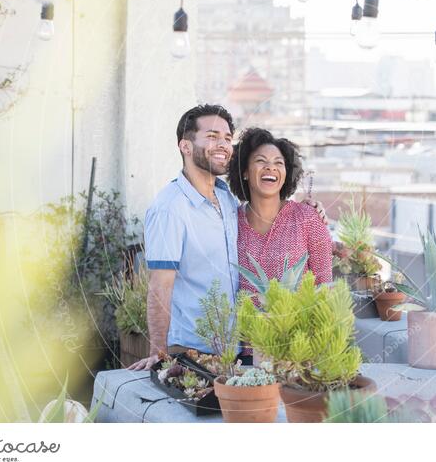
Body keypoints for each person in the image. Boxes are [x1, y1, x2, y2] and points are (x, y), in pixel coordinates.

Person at [128, 106, 326, 371]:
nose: (222, 144)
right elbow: (160, 285)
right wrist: (157, 352)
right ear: (185, 146)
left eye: (226, 138)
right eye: (211, 136)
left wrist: (313, 218)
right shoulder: (170, 209)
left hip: (237, 351)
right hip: (193, 351)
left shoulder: (227, 201)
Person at [228, 127, 332, 305]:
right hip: (246, 330)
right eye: (261, 161)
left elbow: (325, 288)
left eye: (279, 163)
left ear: (286, 173)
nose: (271, 167)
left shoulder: (308, 218)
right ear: (245, 172)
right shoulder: (231, 222)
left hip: (298, 329)